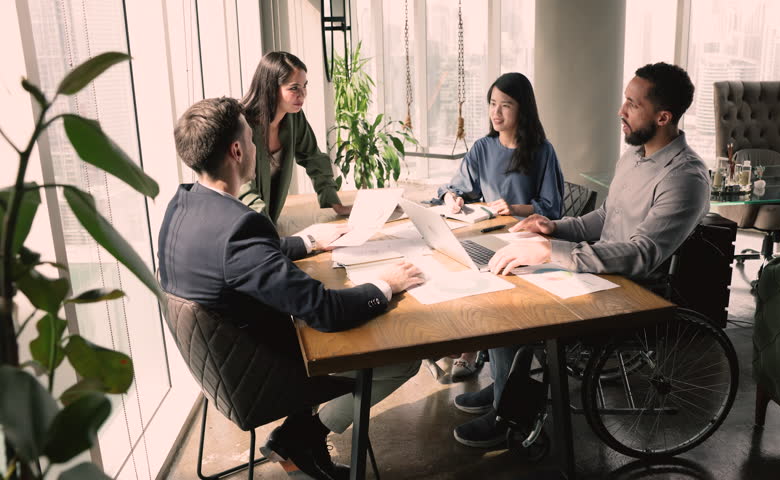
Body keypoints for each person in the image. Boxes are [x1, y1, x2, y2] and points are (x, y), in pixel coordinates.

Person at [159, 97, 424, 479]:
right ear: (236, 151)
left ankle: (299, 439)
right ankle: (301, 437)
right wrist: (386, 284)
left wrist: (308, 242)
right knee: (402, 357)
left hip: (219, 367)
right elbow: (325, 311)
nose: (256, 147)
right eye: (250, 140)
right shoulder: (239, 228)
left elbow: (236, 262)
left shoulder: (184, 204)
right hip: (260, 375)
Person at [452, 62, 710, 448]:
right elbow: (606, 218)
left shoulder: (685, 177)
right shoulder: (634, 158)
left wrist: (550, 251)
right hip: (597, 273)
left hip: (629, 291)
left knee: (508, 312)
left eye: (631, 104)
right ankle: (502, 392)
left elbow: (642, 254)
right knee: (496, 281)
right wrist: (553, 228)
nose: (621, 111)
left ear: (663, 117)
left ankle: (508, 415)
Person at [438, 72, 565, 380]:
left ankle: (481, 358)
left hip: (526, 244)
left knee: (489, 286)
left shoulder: (542, 151)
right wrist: (452, 197)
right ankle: (469, 346)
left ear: (523, 109)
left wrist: (515, 208)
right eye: (492, 104)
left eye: (505, 105)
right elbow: (457, 188)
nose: (496, 113)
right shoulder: (482, 148)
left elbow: (553, 208)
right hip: (488, 235)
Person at [238, 51, 352, 224]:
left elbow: (313, 158)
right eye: (294, 88)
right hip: (242, 226)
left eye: (304, 86)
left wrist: (336, 204)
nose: (303, 94)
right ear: (270, 88)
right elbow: (243, 186)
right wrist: (265, 228)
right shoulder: (240, 124)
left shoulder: (293, 117)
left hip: (267, 224)